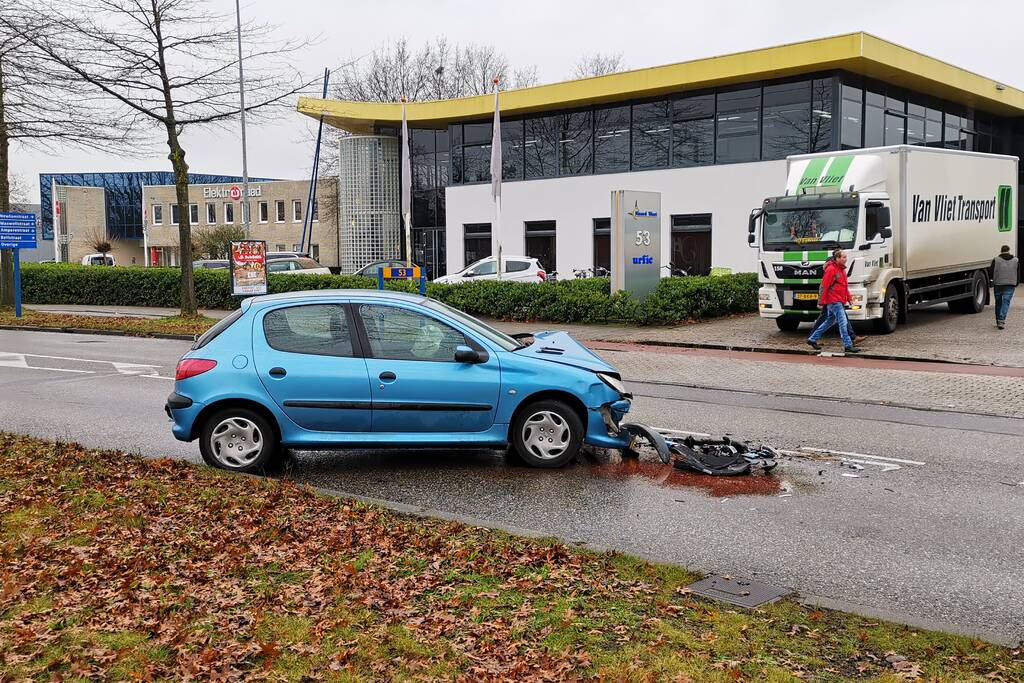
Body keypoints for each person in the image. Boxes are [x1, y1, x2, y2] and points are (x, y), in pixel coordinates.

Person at [807, 248, 861, 353]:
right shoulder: (831, 269)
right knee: (843, 322)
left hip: (837, 300)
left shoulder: (841, 269)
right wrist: (820, 301)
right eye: (844, 257)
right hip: (834, 301)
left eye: (846, 257)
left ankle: (812, 339)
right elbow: (824, 286)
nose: (846, 259)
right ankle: (848, 344)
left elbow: (844, 287)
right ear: (837, 258)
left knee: (829, 322)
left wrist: (849, 299)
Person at [992, 245, 1019, 330]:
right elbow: (1018, 273)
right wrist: (1016, 283)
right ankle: (1001, 320)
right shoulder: (1016, 260)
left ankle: (998, 320)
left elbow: (990, 271)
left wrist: (992, 280)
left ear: (1001, 251)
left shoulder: (995, 260)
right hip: (1010, 284)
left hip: (998, 284)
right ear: (1009, 250)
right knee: (1006, 302)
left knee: (998, 302)